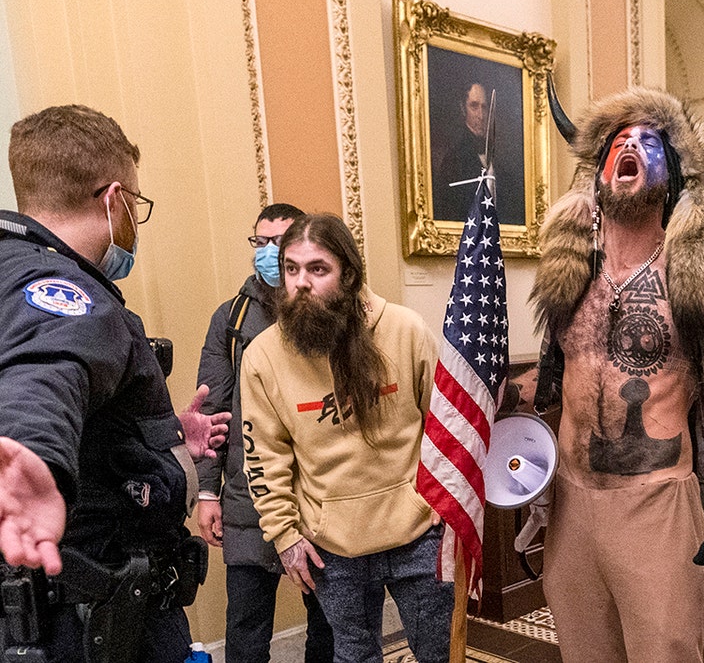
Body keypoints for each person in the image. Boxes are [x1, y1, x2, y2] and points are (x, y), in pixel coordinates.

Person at [529, 85, 704, 662]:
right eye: (620, 140)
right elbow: (554, 382)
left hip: (657, 506)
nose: (632, 147)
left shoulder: (702, 282)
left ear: (673, 177)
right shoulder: (568, 276)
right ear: (597, 172)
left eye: (650, 142)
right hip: (571, 504)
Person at [0, 104, 230, 661]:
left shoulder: (10, 269)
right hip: (95, 620)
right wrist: (38, 456)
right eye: (137, 204)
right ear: (115, 200)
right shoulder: (62, 290)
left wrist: (154, 435)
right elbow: (45, 371)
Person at [239, 214, 452, 663]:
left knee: (439, 652)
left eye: (318, 269)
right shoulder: (262, 356)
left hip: (416, 530)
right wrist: (285, 536)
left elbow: (445, 426)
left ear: (348, 274)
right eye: (291, 269)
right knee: (354, 655)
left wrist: (446, 510)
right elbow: (264, 457)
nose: (301, 283)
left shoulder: (405, 330)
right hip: (330, 542)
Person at [194, 203, 335, 662]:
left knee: (329, 625)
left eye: (281, 242)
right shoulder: (231, 320)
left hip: (320, 494)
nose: (270, 252)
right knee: (247, 632)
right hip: (246, 496)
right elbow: (211, 411)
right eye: (261, 242)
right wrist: (208, 494)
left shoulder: (329, 312)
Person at [432, 80, 522, 225]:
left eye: (484, 108)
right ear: (463, 109)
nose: (481, 115)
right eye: (474, 106)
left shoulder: (499, 160)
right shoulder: (453, 161)